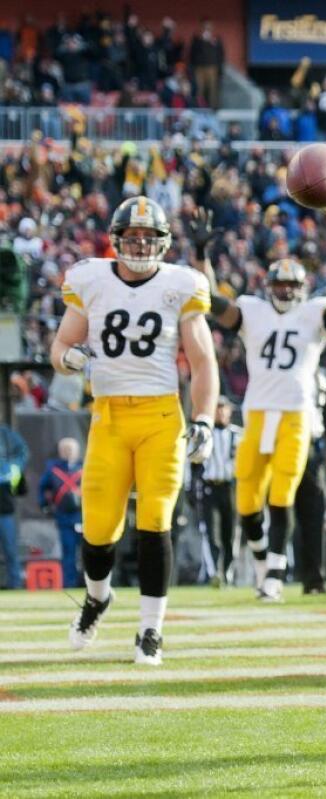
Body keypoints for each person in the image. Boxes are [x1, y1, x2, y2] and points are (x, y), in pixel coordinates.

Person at [52, 196, 218, 665]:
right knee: (100, 528)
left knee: (156, 521)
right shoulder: (92, 279)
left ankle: (150, 630)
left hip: (161, 418)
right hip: (108, 417)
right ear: (117, 239)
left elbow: (203, 363)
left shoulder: (181, 285)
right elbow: (60, 345)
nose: (141, 246)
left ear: (162, 242)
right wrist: (72, 358)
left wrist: (203, 417)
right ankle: (98, 598)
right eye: (133, 237)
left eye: (149, 238)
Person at [198, 207, 326, 603]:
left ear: (302, 288)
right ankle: (261, 567)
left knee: (284, 491)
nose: (286, 291)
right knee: (247, 500)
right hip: (257, 413)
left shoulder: (314, 313)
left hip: (297, 414)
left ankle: (275, 572)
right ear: (270, 286)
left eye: (293, 285)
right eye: (281, 285)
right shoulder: (252, 312)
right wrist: (202, 256)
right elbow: (208, 300)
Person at [294, 371, 326, 595]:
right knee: (277, 514)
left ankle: (314, 579)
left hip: (310, 449)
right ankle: (269, 576)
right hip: (275, 447)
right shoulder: (276, 370)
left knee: (314, 515)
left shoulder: (317, 377)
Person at [199, 396, 240, 586]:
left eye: (223, 408)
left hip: (230, 487)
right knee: (211, 533)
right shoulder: (204, 435)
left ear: (230, 411)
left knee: (230, 534)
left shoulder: (238, 434)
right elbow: (193, 464)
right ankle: (214, 571)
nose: (220, 412)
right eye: (217, 408)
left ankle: (228, 571)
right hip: (209, 488)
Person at [39, 437, 84, 588]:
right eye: (65, 449)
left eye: (71, 449)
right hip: (64, 517)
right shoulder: (53, 469)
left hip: (84, 516)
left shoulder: (86, 467)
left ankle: (90, 584)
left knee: (89, 552)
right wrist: (44, 505)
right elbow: (43, 488)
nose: (68, 452)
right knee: (68, 552)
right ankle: (69, 583)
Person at [0, 423, 29, 589]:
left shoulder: (5, 433)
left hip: (5, 512)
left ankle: (15, 584)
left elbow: (23, 451)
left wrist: (15, 467)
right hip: (6, 512)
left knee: (11, 550)